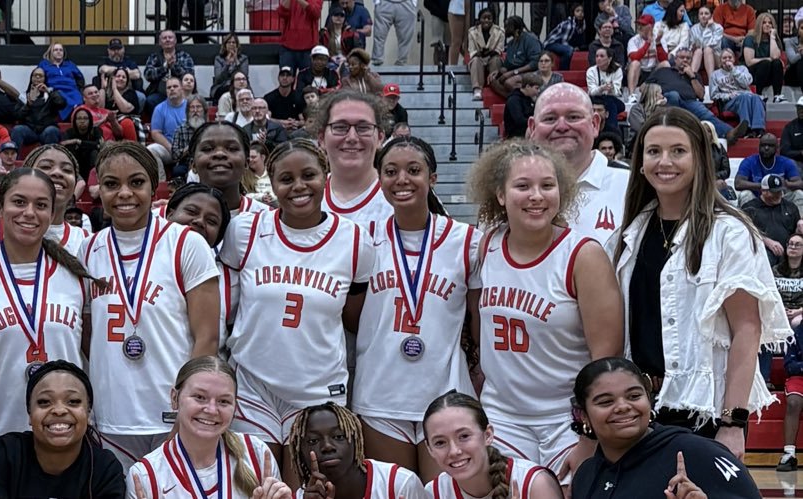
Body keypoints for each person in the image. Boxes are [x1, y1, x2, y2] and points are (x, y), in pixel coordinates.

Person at [611, 108, 792, 456]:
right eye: (654, 151)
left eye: (678, 151)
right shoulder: (628, 235)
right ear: (640, 161)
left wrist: (733, 423)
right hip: (638, 410)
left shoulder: (730, 233)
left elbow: (747, 329)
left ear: (699, 158)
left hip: (704, 413)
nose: (665, 161)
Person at [467, 139, 624, 476]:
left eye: (547, 185)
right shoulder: (487, 245)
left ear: (561, 191)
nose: (536, 196)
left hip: (565, 417)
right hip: (502, 415)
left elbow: (606, 361)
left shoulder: (583, 255)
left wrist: (589, 433)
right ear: (500, 194)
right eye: (522, 186)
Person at [222, 138, 371, 477]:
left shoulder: (355, 240)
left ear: (326, 176)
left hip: (318, 387)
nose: (299, 186)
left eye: (309, 175)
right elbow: (227, 306)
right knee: (255, 487)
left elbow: (354, 317)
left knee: (306, 488)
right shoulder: (245, 230)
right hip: (252, 382)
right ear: (271, 183)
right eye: (286, 179)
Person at [81, 142, 219, 468]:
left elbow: (207, 338)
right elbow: (87, 335)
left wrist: (190, 409)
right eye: (112, 184)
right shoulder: (87, 250)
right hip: (112, 414)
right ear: (99, 189)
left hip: (171, 415)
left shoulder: (186, 243)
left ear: (154, 184)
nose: (125, 193)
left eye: (136, 182)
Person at [352, 137, 475, 479]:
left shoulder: (467, 240)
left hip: (445, 391)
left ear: (432, 178)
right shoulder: (363, 238)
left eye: (414, 170)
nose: (402, 179)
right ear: (379, 179)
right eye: (391, 171)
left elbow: (478, 318)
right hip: (379, 391)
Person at [0, 168, 99, 454]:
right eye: (19, 202)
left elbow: (92, 352)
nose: (30, 213)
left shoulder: (75, 273)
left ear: (52, 212)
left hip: (65, 436)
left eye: (41, 205)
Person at [569, 357, 763, 497]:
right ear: (584, 415)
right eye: (605, 402)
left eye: (634, 396)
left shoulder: (698, 453)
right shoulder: (585, 476)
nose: (623, 407)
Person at [127, 357, 289, 498]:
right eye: (199, 397)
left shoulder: (257, 454)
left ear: (235, 407)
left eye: (223, 401)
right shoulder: (146, 476)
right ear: (174, 398)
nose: (211, 410)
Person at [0, 361, 125, 498]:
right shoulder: (2, 456)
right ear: (29, 414)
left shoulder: (105, 469)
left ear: (89, 413)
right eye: (44, 402)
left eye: (73, 401)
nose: (59, 410)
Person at [526, 83, 632, 243]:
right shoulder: (511, 189)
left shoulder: (629, 185)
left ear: (595, 124)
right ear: (532, 128)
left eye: (573, 117)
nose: (561, 126)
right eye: (550, 118)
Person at [420, 392, 562, 499]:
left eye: (464, 436)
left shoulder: (534, 483)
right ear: (429, 449)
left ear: (487, 435)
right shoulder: (435, 492)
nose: (454, 451)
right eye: (440, 443)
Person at [286, 403, 428, 497]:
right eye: (313, 441)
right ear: (299, 452)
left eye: (339, 436)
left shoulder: (399, 483)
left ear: (357, 442)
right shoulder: (303, 496)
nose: (327, 446)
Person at [314, 91, 395, 238]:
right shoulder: (307, 197)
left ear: (380, 138)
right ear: (321, 138)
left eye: (363, 128)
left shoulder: (403, 195)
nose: (352, 137)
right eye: (339, 127)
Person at [777, 239, 803, 471]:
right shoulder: (798, 329)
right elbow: (789, 363)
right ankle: (788, 454)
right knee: (794, 401)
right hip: (800, 374)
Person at [741, 174, 800, 264]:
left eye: (780, 191)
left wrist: (799, 227)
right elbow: (743, 234)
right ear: (764, 191)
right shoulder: (749, 208)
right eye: (775, 192)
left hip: (788, 251)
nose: (779, 195)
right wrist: (765, 241)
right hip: (762, 252)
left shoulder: (790, 207)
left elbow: (796, 233)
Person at [735, 134, 803, 206]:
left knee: (799, 194)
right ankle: (747, 217)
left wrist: (787, 184)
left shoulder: (786, 162)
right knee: (745, 194)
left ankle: (800, 217)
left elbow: (800, 183)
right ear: (758, 147)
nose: (766, 148)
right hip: (757, 200)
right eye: (763, 145)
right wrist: (764, 186)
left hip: (780, 199)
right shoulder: (749, 161)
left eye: (770, 145)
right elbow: (738, 183)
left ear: (777, 148)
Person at [490, 16, 544, 98]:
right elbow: (507, 66)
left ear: (515, 28)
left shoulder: (531, 40)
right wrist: (498, 72)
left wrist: (513, 72)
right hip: (517, 73)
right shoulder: (511, 44)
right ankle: (513, 99)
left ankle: (528, 99)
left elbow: (535, 63)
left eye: (507, 26)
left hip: (533, 72)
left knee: (509, 82)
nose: (505, 29)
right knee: (493, 81)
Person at [143, 30, 196, 111]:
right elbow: (147, 75)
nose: (167, 40)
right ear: (160, 42)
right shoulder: (154, 57)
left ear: (175, 41)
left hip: (181, 94)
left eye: (170, 37)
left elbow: (189, 75)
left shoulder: (184, 56)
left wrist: (174, 66)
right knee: (150, 100)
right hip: (159, 94)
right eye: (164, 38)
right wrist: (165, 67)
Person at [15, 68, 69, 149]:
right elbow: (17, 115)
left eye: (40, 76)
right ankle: (13, 160)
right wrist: (28, 104)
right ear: (31, 78)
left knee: (51, 131)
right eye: (35, 75)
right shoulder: (24, 96)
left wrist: (49, 92)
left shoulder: (52, 94)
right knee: (17, 130)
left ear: (45, 79)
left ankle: (50, 160)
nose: (37, 77)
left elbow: (62, 104)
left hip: (47, 130)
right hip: (30, 131)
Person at [744, 12, 787, 102]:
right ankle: (758, 94)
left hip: (768, 74)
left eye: (770, 23)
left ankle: (777, 95)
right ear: (759, 24)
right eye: (764, 22)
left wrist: (772, 37)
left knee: (777, 63)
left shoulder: (775, 40)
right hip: (754, 73)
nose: (767, 25)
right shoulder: (750, 38)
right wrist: (767, 59)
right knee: (765, 63)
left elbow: (775, 57)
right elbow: (749, 61)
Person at [148, 78, 188, 169]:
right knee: (151, 150)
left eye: (175, 86)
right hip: (168, 149)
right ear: (166, 91)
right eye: (169, 87)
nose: (172, 89)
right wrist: (172, 149)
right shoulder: (159, 109)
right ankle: (161, 182)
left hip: (188, 148)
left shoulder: (190, 106)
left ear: (181, 89)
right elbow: (155, 133)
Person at [40, 43, 86, 121]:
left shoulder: (69, 64)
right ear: (51, 52)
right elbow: (39, 76)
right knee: (61, 98)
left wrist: (79, 88)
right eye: (56, 50)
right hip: (56, 90)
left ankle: (76, 112)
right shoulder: (44, 64)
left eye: (61, 50)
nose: (58, 52)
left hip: (72, 89)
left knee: (79, 98)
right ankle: (73, 113)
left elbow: (80, 78)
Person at [587, 47, 628, 134]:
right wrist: (601, 88)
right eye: (597, 56)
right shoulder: (591, 71)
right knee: (610, 106)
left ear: (609, 59)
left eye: (602, 56)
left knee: (614, 104)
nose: (598, 58)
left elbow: (617, 92)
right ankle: (612, 133)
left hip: (611, 97)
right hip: (595, 98)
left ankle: (611, 133)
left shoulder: (617, 70)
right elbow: (591, 91)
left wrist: (612, 89)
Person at [468, 8, 505, 101]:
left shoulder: (500, 32)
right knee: (475, 61)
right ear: (480, 19)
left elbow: (499, 49)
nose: (486, 20)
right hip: (479, 58)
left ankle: (494, 85)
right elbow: (472, 50)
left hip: (492, 57)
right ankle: (477, 90)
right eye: (484, 18)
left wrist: (490, 52)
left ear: (493, 20)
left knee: (496, 60)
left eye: (489, 18)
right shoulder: (472, 32)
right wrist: (480, 53)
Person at [627, 14, 670, 93]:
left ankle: (666, 92)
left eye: (643, 25)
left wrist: (657, 43)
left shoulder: (660, 39)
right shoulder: (633, 40)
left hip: (653, 72)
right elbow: (634, 57)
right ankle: (631, 95)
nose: (639, 27)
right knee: (635, 63)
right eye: (638, 24)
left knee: (665, 64)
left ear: (651, 26)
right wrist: (647, 43)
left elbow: (664, 59)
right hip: (640, 72)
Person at [278, 0, 325, 71]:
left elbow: (315, 13)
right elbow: (281, 13)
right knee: (286, 78)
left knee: (307, 80)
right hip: (288, 47)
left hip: (308, 48)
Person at [63, 108, 105, 177]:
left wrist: (78, 142)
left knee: (94, 152)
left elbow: (98, 145)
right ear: (75, 121)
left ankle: (95, 178)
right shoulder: (69, 132)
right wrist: (90, 145)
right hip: (77, 164)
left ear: (90, 120)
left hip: (91, 162)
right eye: (79, 118)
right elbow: (64, 145)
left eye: (85, 118)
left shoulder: (96, 130)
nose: (82, 121)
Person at [212, 34, 250, 103]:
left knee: (239, 89)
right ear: (225, 45)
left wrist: (236, 61)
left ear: (237, 45)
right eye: (229, 42)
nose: (231, 44)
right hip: (222, 86)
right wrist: (227, 64)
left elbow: (244, 76)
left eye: (233, 42)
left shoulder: (244, 58)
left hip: (240, 84)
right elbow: (218, 79)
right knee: (226, 90)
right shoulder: (218, 59)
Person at [784, 98, 803, 164]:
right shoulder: (790, 127)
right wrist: (800, 153)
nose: (801, 111)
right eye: (799, 108)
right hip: (797, 161)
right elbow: (784, 151)